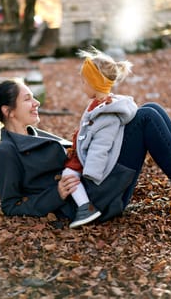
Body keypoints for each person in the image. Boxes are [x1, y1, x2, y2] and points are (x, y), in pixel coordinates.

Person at [0, 57, 171, 226]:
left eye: (33, 96)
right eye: (27, 99)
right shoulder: (5, 152)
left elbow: (79, 151)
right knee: (147, 118)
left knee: (151, 109)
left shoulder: (34, 134)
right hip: (87, 204)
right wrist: (57, 194)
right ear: (8, 111)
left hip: (97, 185)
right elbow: (10, 206)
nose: (36, 102)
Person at [62, 47, 137, 228]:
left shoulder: (107, 114)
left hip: (86, 162)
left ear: (93, 83)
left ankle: (84, 207)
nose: (82, 86)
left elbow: (101, 147)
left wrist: (91, 174)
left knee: (67, 174)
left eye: (83, 82)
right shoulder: (98, 105)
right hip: (82, 153)